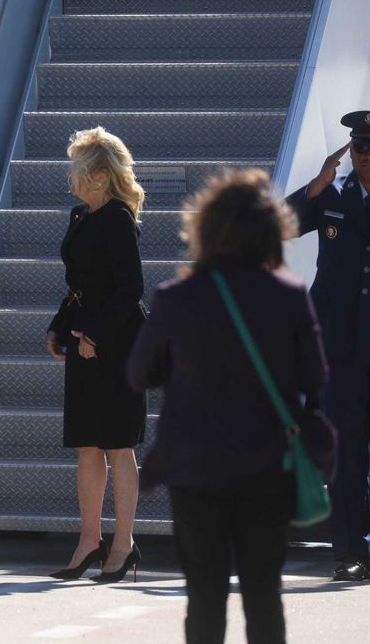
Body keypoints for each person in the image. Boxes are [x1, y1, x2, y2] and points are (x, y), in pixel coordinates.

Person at [127, 169, 328, 644]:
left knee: (205, 596)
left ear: (207, 229)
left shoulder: (175, 297)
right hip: (266, 467)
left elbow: (138, 374)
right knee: (263, 594)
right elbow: (315, 378)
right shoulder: (289, 295)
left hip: (195, 469)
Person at [45, 126, 147, 582]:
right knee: (87, 443)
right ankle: (89, 540)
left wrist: (97, 337)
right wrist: (60, 326)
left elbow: (131, 289)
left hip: (118, 344)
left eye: (77, 169)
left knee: (118, 444)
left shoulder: (119, 218)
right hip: (84, 338)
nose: (70, 177)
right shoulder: (79, 216)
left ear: (101, 176)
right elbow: (79, 284)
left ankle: (123, 544)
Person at [285, 110, 370, 581]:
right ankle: (349, 550)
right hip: (339, 347)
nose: (366, 158)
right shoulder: (331, 196)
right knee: (346, 450)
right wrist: (316, 185)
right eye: (360, 149)